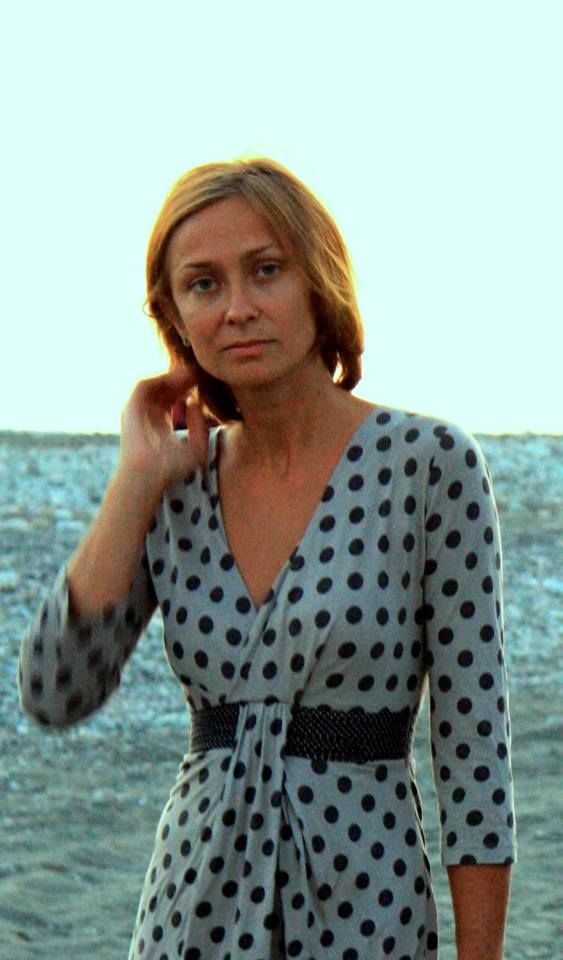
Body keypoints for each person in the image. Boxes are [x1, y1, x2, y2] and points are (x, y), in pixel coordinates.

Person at [18, 157, 517, 960]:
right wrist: (135, 480)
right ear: (175, 318)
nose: (238, 308)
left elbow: (473, 753)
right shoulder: (176, 480)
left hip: (366, 911)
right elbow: (54, 691)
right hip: (190, 910)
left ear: (318, 278)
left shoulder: (428, 465)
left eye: (266, 270)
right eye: (203, 285)